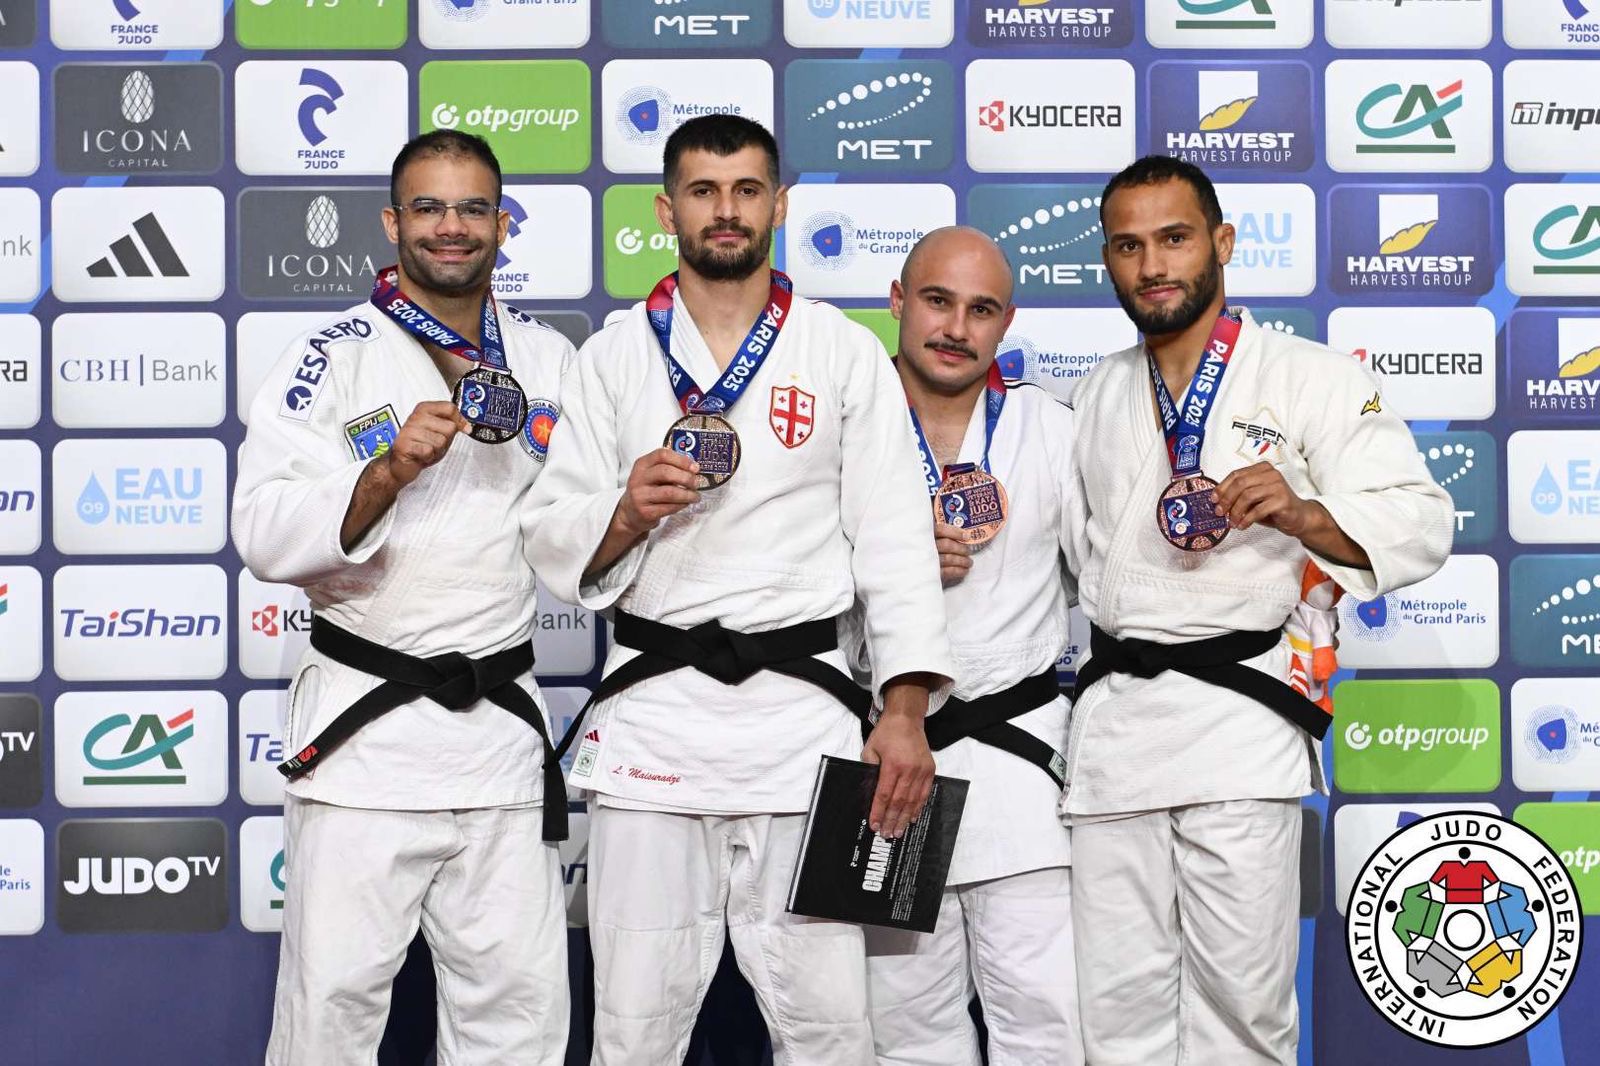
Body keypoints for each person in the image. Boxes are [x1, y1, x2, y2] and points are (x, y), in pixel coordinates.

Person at [521, 114, 953, 1065]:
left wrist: (906, 710)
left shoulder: (839, 349)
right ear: (665, 207)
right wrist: (626, 511)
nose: (727, 211)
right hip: (655, 723)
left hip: (805, 728)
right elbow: (551, 532)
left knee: (833, 1021)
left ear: (779, 206)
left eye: (747, 190)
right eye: (706, 191)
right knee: (633, 1023)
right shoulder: (614, 355)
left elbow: (893, 541)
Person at [1063, 155, 1454, 1065]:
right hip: (1117, 733)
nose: (1153, 265)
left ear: (1222, 243)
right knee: (1114, 1017)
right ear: (1109, 262)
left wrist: (1305, 512)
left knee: (1242, 1014)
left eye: (1174, 238)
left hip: (1242, 725)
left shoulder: (1311, 376)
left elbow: (1423, 521)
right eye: (1129, 246)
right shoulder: (1093, 396)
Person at [233, 130, 576, 1066]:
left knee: (519, 1017)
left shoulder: (547, 359)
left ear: (503, 224)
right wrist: (386, 472)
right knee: (329, 1016)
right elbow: (263, 530)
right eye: (428, 207)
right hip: (366, 744)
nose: (451, 228)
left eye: (472, 208)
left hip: (498, 738)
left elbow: (577, 533)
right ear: (393, 222)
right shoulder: (328, 356)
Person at [860, 227, 1084, 1066]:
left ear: (1006, 323)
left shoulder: (1050, 432)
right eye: (937, 301)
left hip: (1021, 774)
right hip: (886, 775)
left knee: (1048, 1024)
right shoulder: (846, 427)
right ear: (896, 300)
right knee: (906, 1034)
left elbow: (1114, 580)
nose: (956, 326)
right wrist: (883, 556)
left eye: (981, 309)